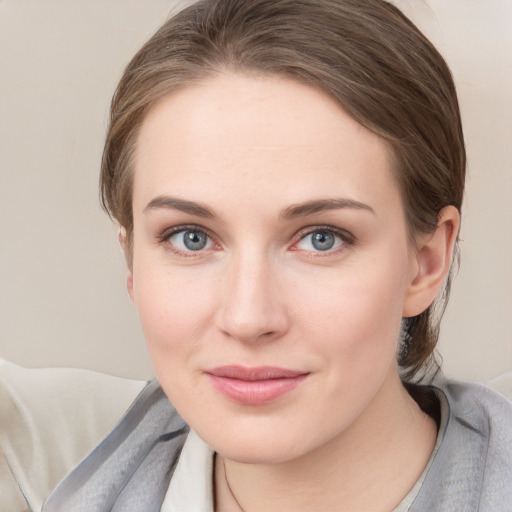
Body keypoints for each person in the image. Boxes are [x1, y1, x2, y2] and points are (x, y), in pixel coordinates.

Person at [7, 0, 512, 510]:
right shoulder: (43, 467)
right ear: (132, 264)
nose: (249, 318)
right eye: (191, 238)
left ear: (425, 262)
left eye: (321, 238)